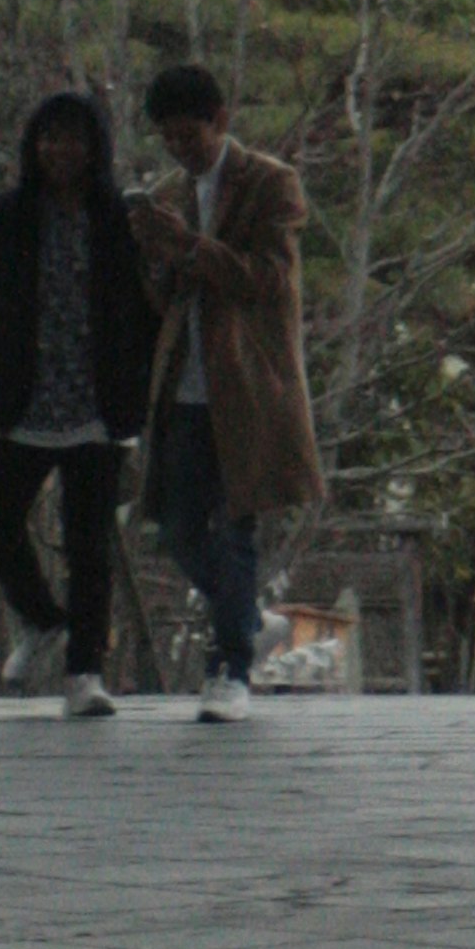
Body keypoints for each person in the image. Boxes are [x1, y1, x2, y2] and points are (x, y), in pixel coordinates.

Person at [0, 90, 159, 720]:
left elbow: (150, 309)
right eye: (48, 137)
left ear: (94, 146)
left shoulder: (120, 220)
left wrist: (144, 386)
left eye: (72, 138)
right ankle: (44, 622)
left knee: (89, 542)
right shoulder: (3, 217)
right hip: (25, 400)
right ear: (31, 145)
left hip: (97, 401)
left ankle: (84, 674)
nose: (59, 150)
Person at [132, 59, 323, 730]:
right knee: (179, 528)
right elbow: (164, 299)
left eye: (190, 136)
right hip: (184, 384)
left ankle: (231, 669)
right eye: (169, 140)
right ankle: (245, 620)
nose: (181, 151)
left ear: (220, 120)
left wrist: (190, 247)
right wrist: (157, 259)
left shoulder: (271, 182)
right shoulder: (169, 191)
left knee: (235, 525)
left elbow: (269, 279)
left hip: (245, 385)